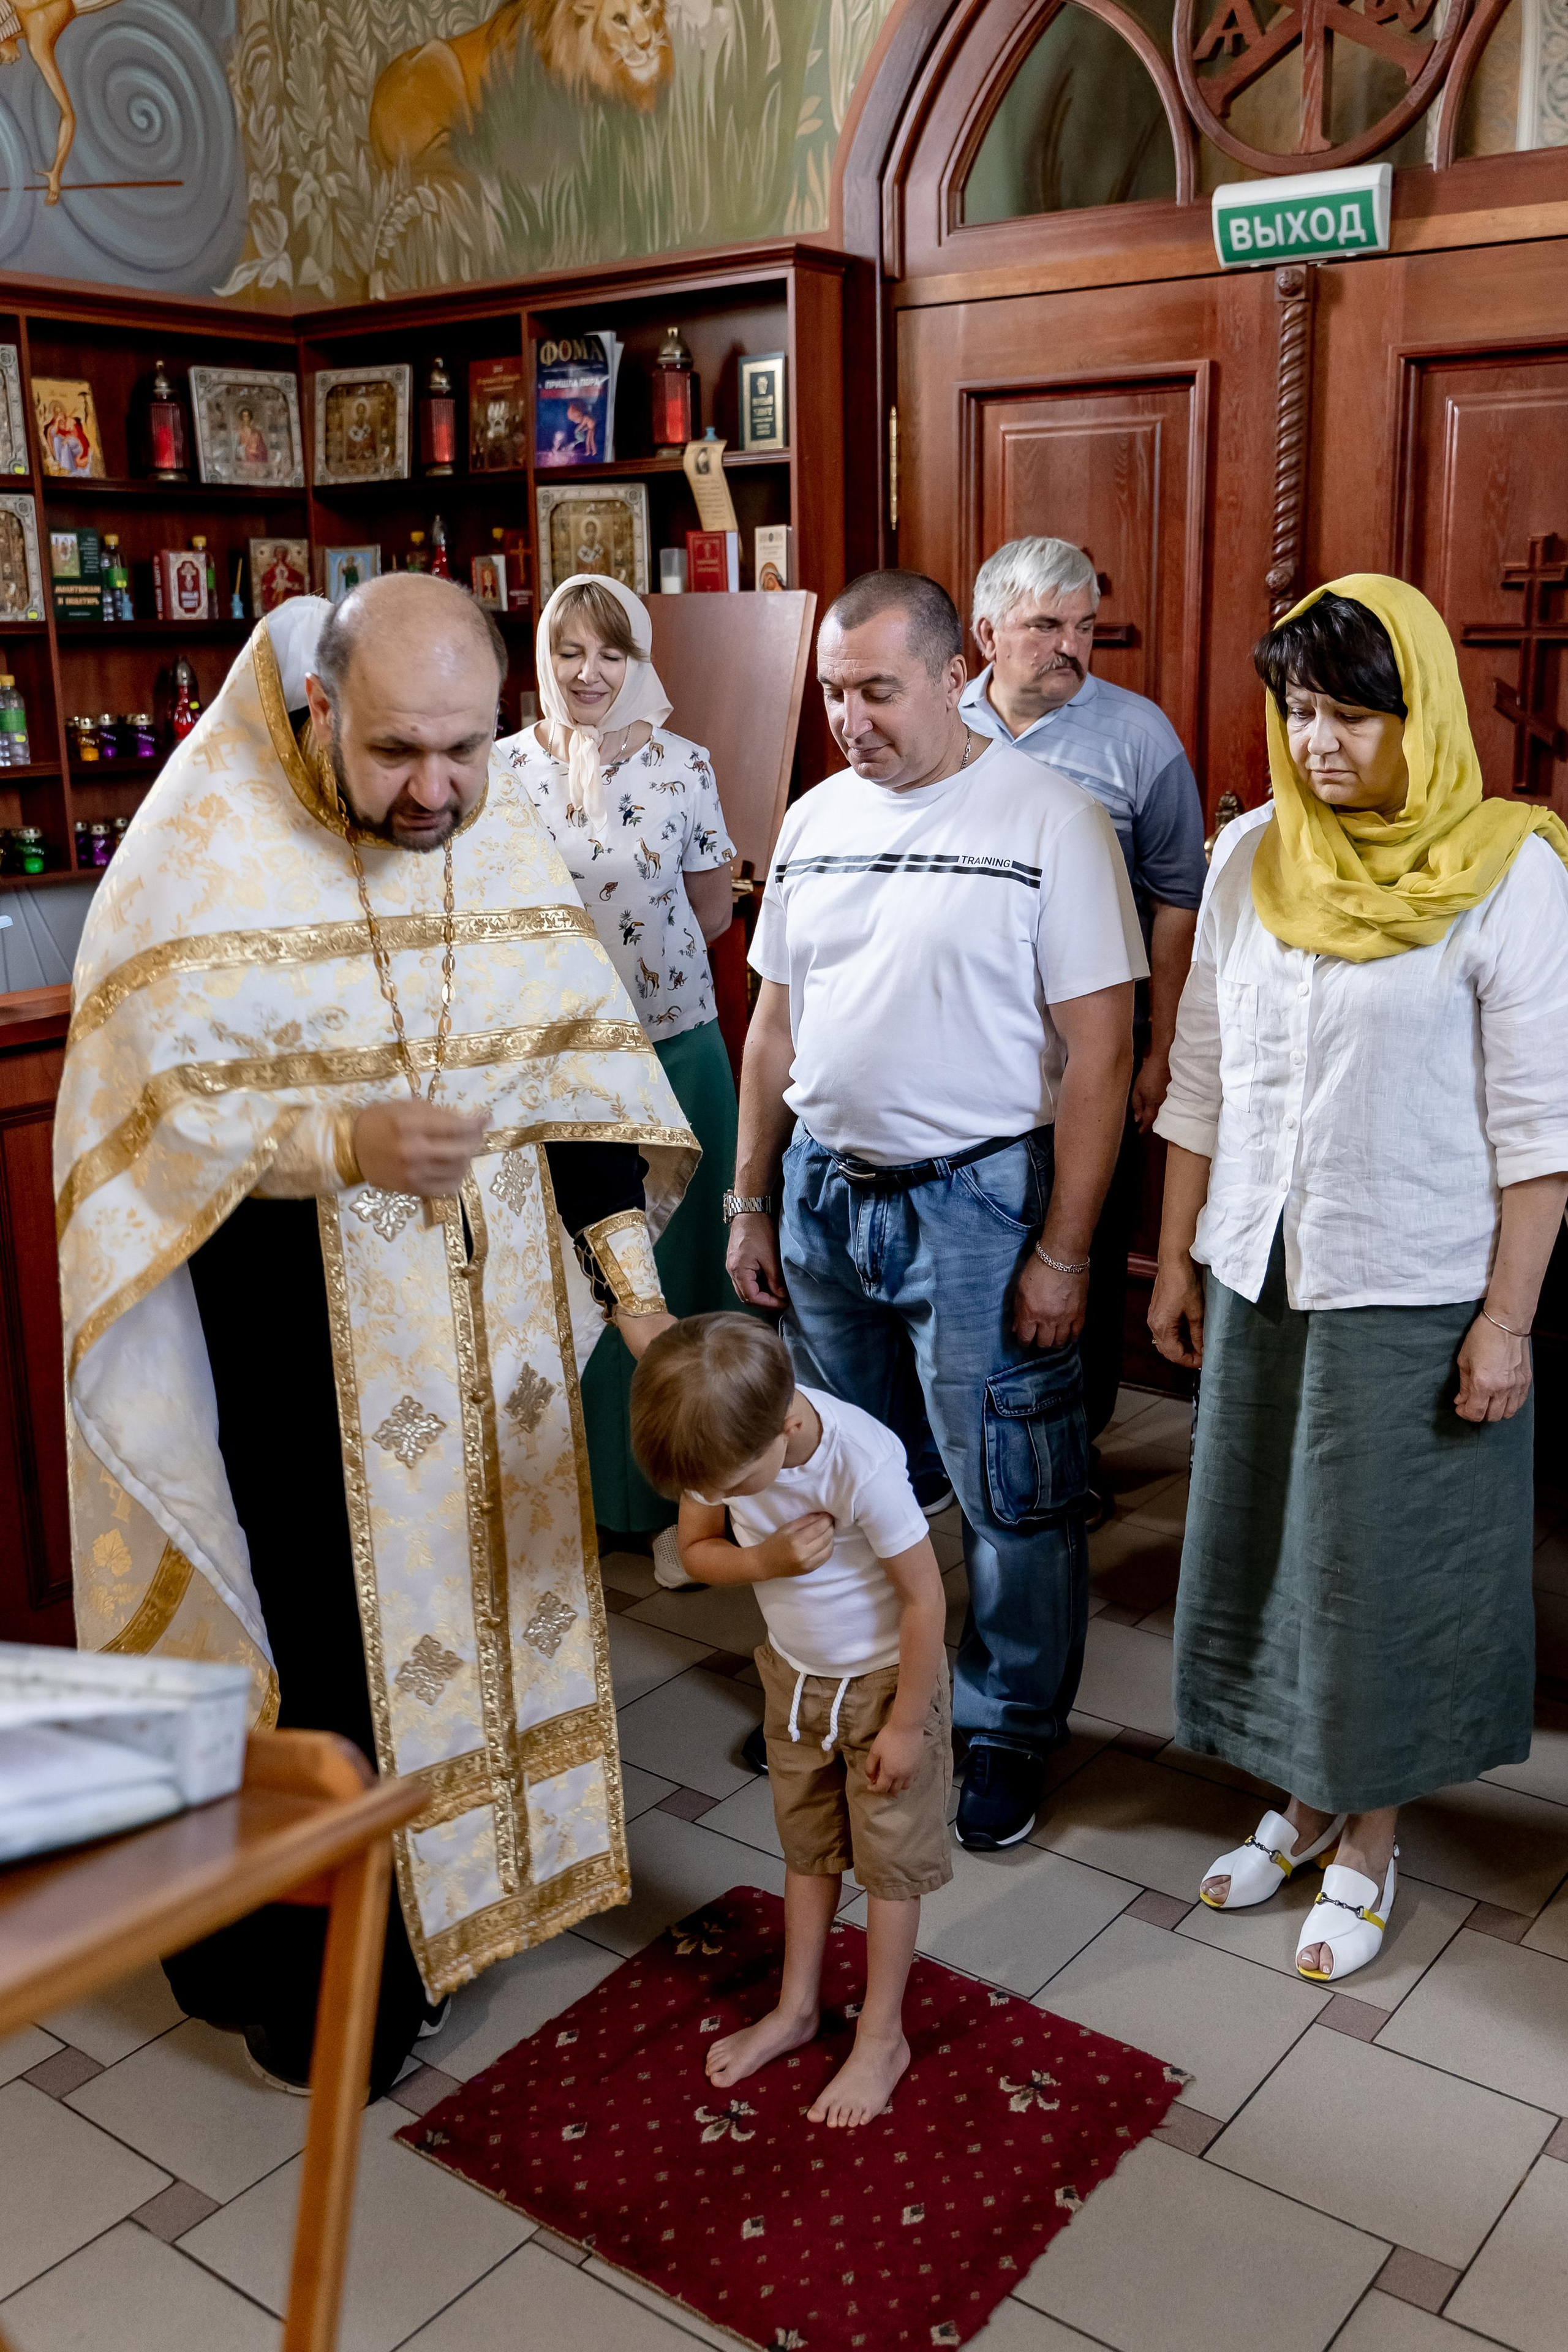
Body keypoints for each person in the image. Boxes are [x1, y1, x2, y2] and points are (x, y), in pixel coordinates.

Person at [58, 572, 697, 2094]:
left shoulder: (496, 835)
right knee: (328, 1662)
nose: (439, 792)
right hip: (293, 1357)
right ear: (322, 711)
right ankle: (324, 1981)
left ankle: (481, 1900)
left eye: (468, 752)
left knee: (488, 1619)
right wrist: (335, 1145)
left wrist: (644, 1307)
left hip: (492, 1352)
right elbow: (143, 1113)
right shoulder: (201, 854)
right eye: (401, 753)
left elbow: (575, 1087)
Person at [1150, 575, 1568, 1983]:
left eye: (1349, 714)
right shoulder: (1250, 854)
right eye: (1297, 709)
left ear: (1420, 715)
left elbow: (1539, 1130)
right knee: (1274, 1557)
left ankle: (1368, 1842)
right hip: (1262, 1258)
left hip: (1412, 1280)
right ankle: (1301, 1797)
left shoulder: (1510, 872)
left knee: (1377, 1576)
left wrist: (1504, 1322)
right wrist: (1175, 1249)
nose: (1317, 740)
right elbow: (1198, 1071)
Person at [728, 569, 1146, 1852]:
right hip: (824, 1200)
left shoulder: (1048, 821)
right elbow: (772, 1029)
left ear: (952, 671)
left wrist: (1065, 1252)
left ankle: (1009, 1720)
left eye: (876, 690)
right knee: (844, 1465)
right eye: (831, 693)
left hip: (977, 1206)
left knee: (1010, 1486)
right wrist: (748, 1197)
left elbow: (1100, 1054)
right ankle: (868, 1679)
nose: (851, 718)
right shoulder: (809, 821)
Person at [630, 1314, 948, 2127]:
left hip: (884, 1686)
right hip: (794, 1680)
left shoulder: (861, 1461)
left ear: (787, 1424)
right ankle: (797, 2007)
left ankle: (882, 2036)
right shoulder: (720, 1444)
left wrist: (908, 1724)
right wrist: (762, 1561)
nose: (729, 1498)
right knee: (807, 1849)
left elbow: (925, 1600)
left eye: (737, 1486)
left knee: (886, 1865)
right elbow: (699, 1550)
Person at [499, 573, 738, 1574]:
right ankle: (588, 1502)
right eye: (569, 652)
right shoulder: (499, 769)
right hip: (552, 1063)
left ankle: (690, 1514)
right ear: (545, 661)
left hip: (676, 1045)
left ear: (638, 661)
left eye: (611, 653)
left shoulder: (686, 765)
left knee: (681, 1275)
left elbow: (715, 912)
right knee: (578, 1282)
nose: (588, 672)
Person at [961, 537, 1206, 1480]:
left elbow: (1178, 896)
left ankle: (1073, 1452)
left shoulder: (1138, 736)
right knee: (981, 1244)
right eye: (1045, 626)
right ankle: (973, 1444)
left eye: (1085, 627)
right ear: (987, 633)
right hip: (970, 1043)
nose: (1070, 646)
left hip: (1094, 1044)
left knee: (1079, 1244)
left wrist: (1161, 1045)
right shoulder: (940, 724)